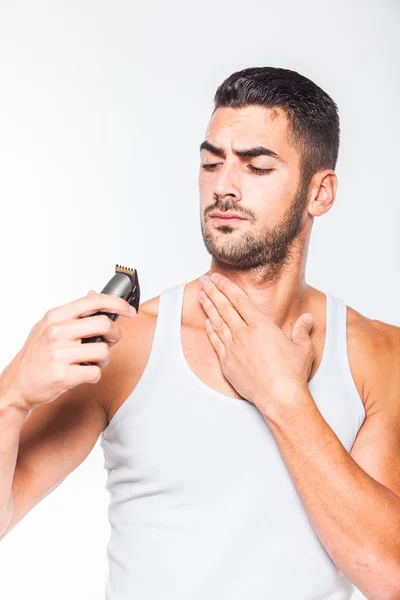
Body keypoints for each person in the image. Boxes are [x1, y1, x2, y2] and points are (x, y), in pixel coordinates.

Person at [0, 66, 399, 600]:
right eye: (212, 163)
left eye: (257, 167)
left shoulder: (376, 355)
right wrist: (10, 397)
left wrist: (284, 399)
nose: (224, 187)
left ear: (319, 193)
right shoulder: (126, 344)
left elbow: (389, 575)